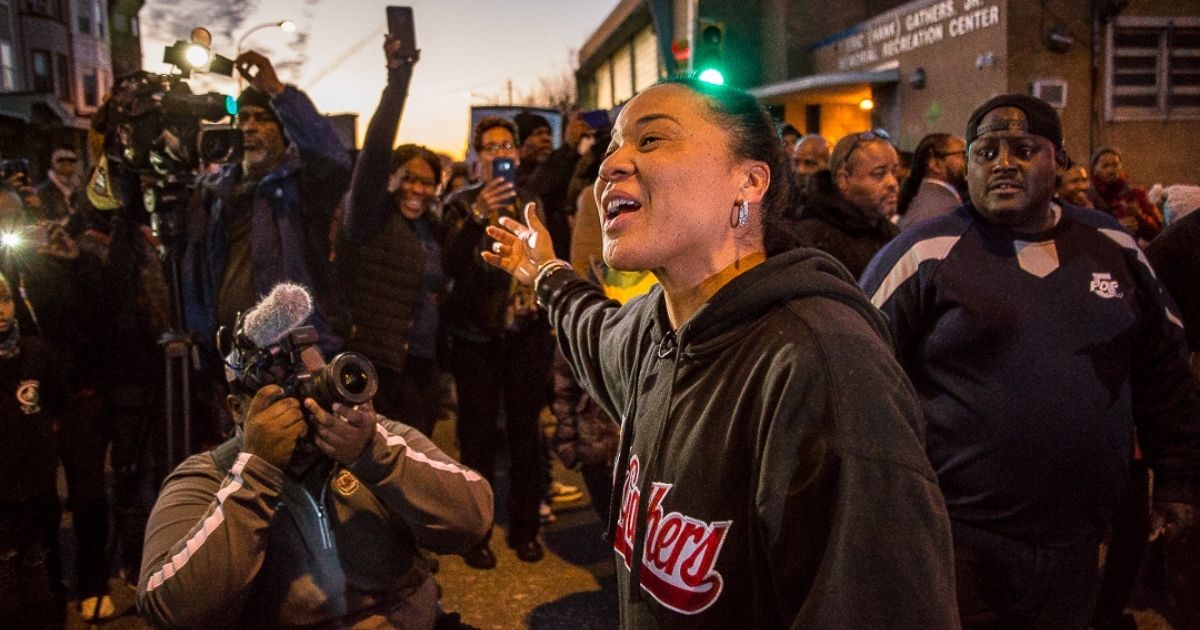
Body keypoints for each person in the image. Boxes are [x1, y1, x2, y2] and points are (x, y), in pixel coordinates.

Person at [481, 76, 958, 628]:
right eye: (613, 146)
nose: (612, 165)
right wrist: (543, 271)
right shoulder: (655, 330)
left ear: (749, 180)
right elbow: (596, 331)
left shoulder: (823, 368)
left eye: (651, 140)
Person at [859, 93, 1200, 629]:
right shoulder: (923, 253)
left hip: (1078, 542)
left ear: (1059, 161)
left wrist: (1178, 476)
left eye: (1023, 149)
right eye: (986, 152)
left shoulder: (1111, 244)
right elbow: (857, 381)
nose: (1004, 165)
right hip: (958, 540)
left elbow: (1164, 370)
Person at [136, 299, 493, 629]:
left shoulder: (371, 438)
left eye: (316, 385)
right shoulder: (207, 477)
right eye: (284, 394)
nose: (309, 406)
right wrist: (256, 474)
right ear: (236, 408)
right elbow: (166, 609)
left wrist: (372, 454)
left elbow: (473, 520)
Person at [182, 50, 352, 356]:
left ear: (284, 132)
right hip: (230, 355)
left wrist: (279, 93)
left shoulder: (303, 187)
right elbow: (197, 273)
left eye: (262, 119)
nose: (249, 127)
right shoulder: (215, 192)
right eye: (243, 118)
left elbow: (334, 160)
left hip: (296, 355)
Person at [441, 116, 552, 567]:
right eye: (491, 147)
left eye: (508, 145)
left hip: (523, 336)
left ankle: (524, 528)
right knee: (478, 438)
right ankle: (476, 532)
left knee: (527, 435)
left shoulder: (531, 202)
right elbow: (448, 266)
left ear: (519, 154)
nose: (501, 153)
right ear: (477, 156)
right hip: (474, 338)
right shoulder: (459, 204)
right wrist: (476, 216)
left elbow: (545, 256)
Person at [340, 37, 445, 438]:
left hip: (421, 370)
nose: (417, 189)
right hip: (377, 369)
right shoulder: (369, 218)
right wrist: (397, 80)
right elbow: (375, 150)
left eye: (428, 182)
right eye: (408, 178)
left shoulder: (433, 231)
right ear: (390, 179)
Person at [0, 238, 68, 630]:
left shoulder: (36, 352)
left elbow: (58, 403)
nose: (2, 311)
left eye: (5, 300)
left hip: (36, 487)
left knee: (37, 566)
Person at [794, 129, 900, 279]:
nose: (892, 183)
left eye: (894, 172)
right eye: (879, 174)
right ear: (844, 179)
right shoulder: (811, 238)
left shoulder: (891, 232)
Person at [1088, 147, 1163, 243]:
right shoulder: (1087, 196)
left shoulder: (1136, 193)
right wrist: (1117, 226)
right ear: (1095, 169)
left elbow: (1157, 233)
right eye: (1105, 166)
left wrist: (1140, 217)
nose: (1111, 170)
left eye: (1115, 165)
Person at [897, 133, 967, 230]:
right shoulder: (940, 210)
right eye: (964, 155)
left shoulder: (926, 203)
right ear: (935, 164)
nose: (970, 161)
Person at [35, 149, 79, 222]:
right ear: (55, 164)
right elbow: (42, 215)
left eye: (72, 161)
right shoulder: (44, 190)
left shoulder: (79, 186)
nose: (68, 164)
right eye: (62, 161)